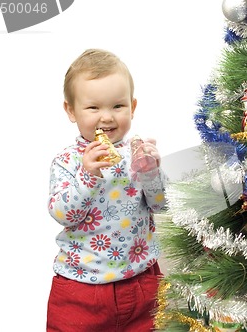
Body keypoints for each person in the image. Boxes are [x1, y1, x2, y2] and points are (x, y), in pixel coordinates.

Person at [46, 49, 167, 331]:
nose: (107, 117)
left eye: (117, 106)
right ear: (71, 111)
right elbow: (62, 213)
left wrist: (151, 172)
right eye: (93, 108)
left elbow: (161, 205)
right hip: (81, 289)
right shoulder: (68, 161)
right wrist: (88, 175)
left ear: (132, 107)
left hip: (141, 282)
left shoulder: (137, 155)